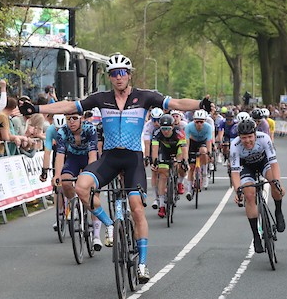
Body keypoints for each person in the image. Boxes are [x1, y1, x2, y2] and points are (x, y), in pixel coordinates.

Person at [19, 53, 211, 283]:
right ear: (109, 77)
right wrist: (37, 108)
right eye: (113, 74)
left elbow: (178, 104)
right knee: (81, 187)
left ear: (129, 75)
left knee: (136, 208)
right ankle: (110, 225)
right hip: (109, 157)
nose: (118, 77)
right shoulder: (101, 98)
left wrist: (201, 104)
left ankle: (142, 264)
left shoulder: (145, 97)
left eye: (122, 73)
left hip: (132, 159)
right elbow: (70, 105)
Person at [230, 119, 286, 254]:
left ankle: (278, 211)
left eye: (250, 137)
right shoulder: (235, 145)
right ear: (239, 137)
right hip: (246, 167)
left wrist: (278, 181)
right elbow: (235, 172)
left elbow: (274, 163)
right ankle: (256, 235)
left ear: (255, 134)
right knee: (249, 194)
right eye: (243, 138)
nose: (247, 140)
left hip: (263, 163)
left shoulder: (264, 138)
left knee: (274, 182)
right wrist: (238, 191)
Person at [51, 113, 101, 249]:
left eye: (74, 118)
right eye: (68, 119)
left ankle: (96, 235)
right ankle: (74, 205)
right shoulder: (62, 132)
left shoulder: (90, 129)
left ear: (81, 119)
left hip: (88, 158)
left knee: (92, 194)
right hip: (73, 158)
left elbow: (92, 155)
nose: (71, 121)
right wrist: (57, 175)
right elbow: (60, 155)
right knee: (66, 182)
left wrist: (89, 175)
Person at [150, 114, 189, 218]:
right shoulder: (157, 132)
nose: (166, 131)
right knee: (162, 174)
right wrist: (154, 162)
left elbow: (184, 149)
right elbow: (154, 149)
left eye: (168, 128)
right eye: (163, 128)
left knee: (182, 165)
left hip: (177, 149)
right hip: (164, 150)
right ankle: (162, 205)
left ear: (172, 127)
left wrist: (184, 161)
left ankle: (180, 182)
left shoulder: (179, 132)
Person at [184, 109, 213, 199]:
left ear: (204, 121)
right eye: (197, 121)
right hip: (192, 142)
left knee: (204, 151)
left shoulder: (208, 127)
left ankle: (204, 173)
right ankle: (189, 190)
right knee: (191, 168)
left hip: (203, 142)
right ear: (194, 121)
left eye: (201, 121)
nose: (199, 124)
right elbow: (187, 143)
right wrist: (186, 155)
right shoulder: (189, 127)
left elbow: (209, 142)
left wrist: (210, 154)